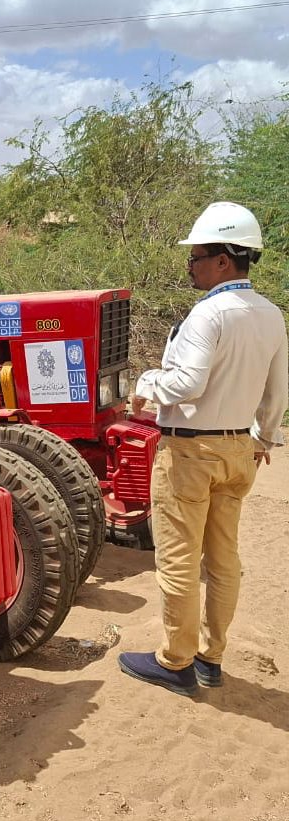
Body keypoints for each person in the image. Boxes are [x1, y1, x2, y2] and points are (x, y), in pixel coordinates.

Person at [118, 201, 288, 696]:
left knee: (177, 559)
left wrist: (147, 382)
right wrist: (262, 438)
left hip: (191, 455)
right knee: (223, 558)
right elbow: (277, 392)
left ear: (222, 260)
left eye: (195, 257)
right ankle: (211, 658)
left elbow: (188, 384)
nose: (190, 265)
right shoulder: (270, 315)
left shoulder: (208, 314)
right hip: (239, 452)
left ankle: (175, 661)